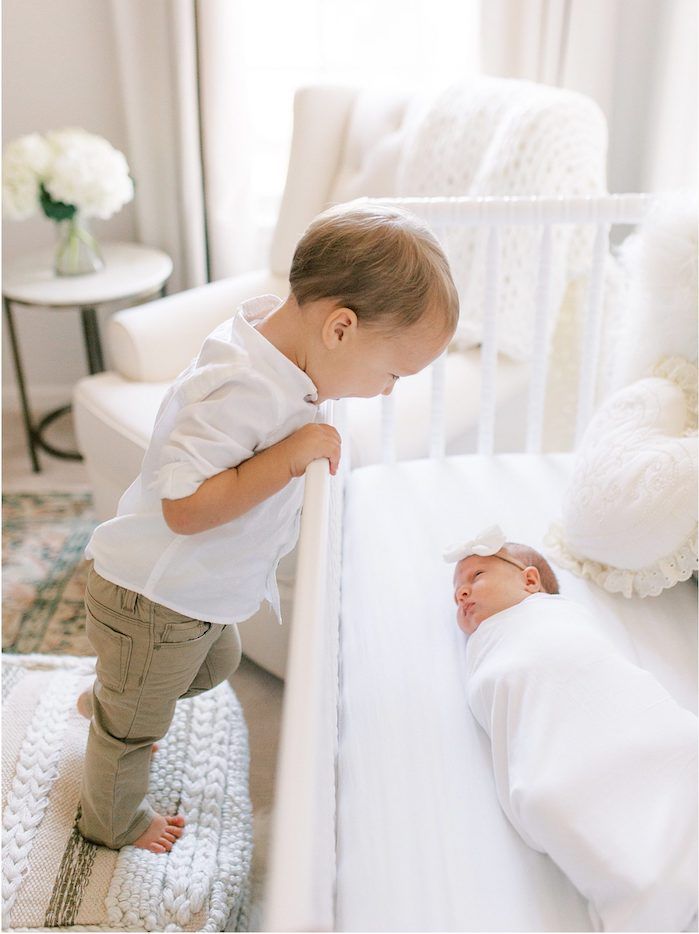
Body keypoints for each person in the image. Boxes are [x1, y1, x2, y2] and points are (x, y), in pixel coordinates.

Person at [77, 201, 459, 853]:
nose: (390, 390)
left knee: (213, 664)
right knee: (136, 730)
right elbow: (185, 508)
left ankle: (115, 690)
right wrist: (286, 458)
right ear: (339, 328)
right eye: (392, 373)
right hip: (153, 596)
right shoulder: (244, 389)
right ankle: (109, 817)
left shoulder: (279, 349)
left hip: (189, 599)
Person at [444, 524, 559, 634]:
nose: (460, 595)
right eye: (456, 599)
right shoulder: (479, 647)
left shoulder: (559, 614)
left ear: (529, 581)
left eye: (477, 575)